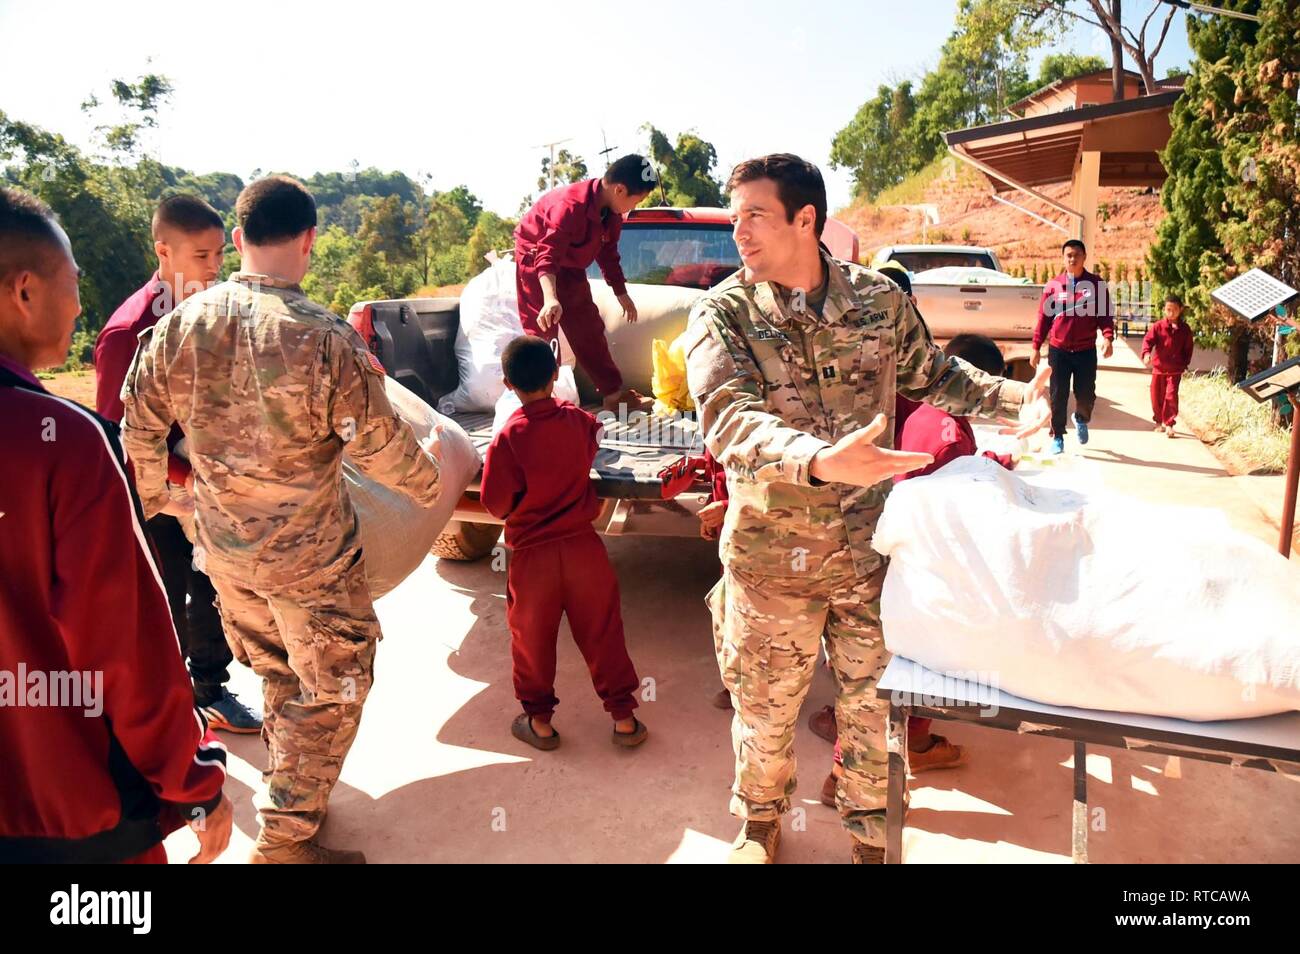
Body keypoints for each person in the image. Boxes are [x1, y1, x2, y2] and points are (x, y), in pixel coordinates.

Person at [683, 154, 1049, 864]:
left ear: (806, 219)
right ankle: (760, 824)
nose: (740, 234)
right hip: (770, 565)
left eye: (754, 216)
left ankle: (869, 832)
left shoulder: (878, 300)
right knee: (764, 713)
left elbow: (935, 373)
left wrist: (1018, 399)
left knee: (875, 710)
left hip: (870, 560)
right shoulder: (721, 312)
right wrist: (817, 461)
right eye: (735, 219)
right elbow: (727, 417)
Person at [121, 175, 441, 864]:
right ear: (309, 242)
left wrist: (167, 505)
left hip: (227, 560)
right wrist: (433, 484)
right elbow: (383, 448)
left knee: (281, 679)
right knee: (335, 687)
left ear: (236, 240)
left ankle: (292, 799)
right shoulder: (324, 339)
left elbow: (137, 431)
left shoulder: (174, 329)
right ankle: (286, 840)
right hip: (312, 567)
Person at [0, 186, 231, 864]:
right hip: (74, 814)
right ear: (23, 293)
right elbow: (124, 643)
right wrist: (192, 779)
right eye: (71, 285)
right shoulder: (61, 440)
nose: (78, 305)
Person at [94, 194, 261, 734]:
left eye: (218, 255)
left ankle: (210, 688)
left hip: (205, 490)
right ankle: (165, 710)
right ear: (163, 251)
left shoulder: (208, 314)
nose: (214, 268)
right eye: (201, 256)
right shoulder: (130, 331)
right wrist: (188, 478)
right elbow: (119, 436)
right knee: (166, 598)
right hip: (156, 497)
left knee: (209, 584)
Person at [480, 335, 647, 750]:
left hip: (533, 557)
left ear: (506, 383)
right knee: (603, 631)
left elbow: (495, 504)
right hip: (583, 549)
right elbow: (592, 441)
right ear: (556, 375)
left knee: (532, 639)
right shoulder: (579, 421)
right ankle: (624, 718)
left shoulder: (508, 438)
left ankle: (538, 722)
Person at [514, 154, 657, 412]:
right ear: (620, 190)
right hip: (537, 261)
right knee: (545, 332)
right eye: (637, 200)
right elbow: (547, 254)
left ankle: (613, 396)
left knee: (588, 327)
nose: (634, 207)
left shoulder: (611, 215)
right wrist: (550, 298)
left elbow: (608, 255)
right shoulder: (569, 207)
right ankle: (539, 405)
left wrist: (621, 293)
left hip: (569, 266)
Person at [1031, 239, 1115, 455]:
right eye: (1068, 255)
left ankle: (1081, 418)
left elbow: (1105, 315)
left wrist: (1108, 337)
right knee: (1058, 395)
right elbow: (1043, 318)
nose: (1072, 258)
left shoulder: (1096, 285)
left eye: (1077, 254)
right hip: (1059, 351)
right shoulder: (1054, 286)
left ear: (1084, 257)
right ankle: (1057, 435)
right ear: (1063, 258)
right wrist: (1036, 347)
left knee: (1086, 394)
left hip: (1085, 351)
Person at [1141, 294, 1194, 437]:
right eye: (1168, 309)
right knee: (1156, 396)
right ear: (1164, 309)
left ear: (1180, 309)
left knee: (1171, 396)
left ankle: (1170, 424)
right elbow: (1148, 341)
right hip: (1158, 369)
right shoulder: (1158, 326)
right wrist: (1146, 354)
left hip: (1175, 370)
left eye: (1174, 310)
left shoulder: (1185, 329)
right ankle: (1158, 422)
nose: (1171, 313)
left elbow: (1188, 348)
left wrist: (1184, 364)